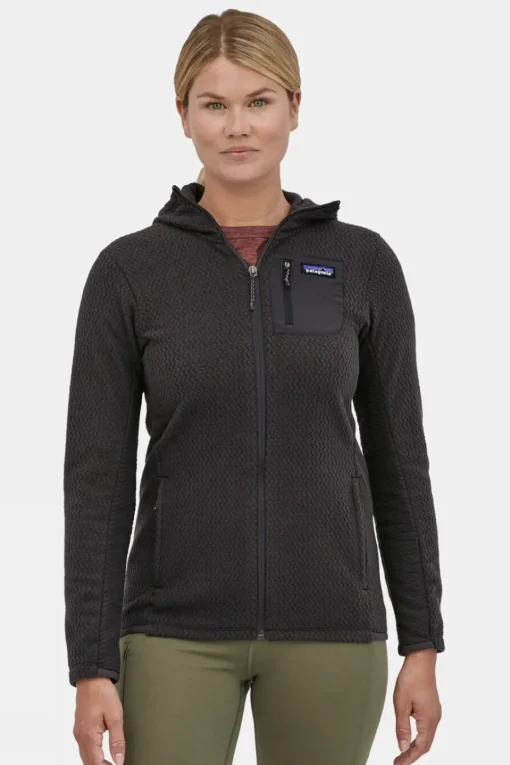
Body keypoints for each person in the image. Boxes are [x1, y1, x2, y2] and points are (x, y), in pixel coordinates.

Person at [64, 9, 445, 765]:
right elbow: (96, 480)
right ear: (183, 115)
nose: (238, 126)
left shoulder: (362, 262)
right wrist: (90, 665)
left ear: (295, 108)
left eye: (259, 101)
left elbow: (401, 462)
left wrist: (423, 641)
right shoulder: (129, 272)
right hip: (172, 631)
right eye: (214, 104)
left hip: (333, 628)